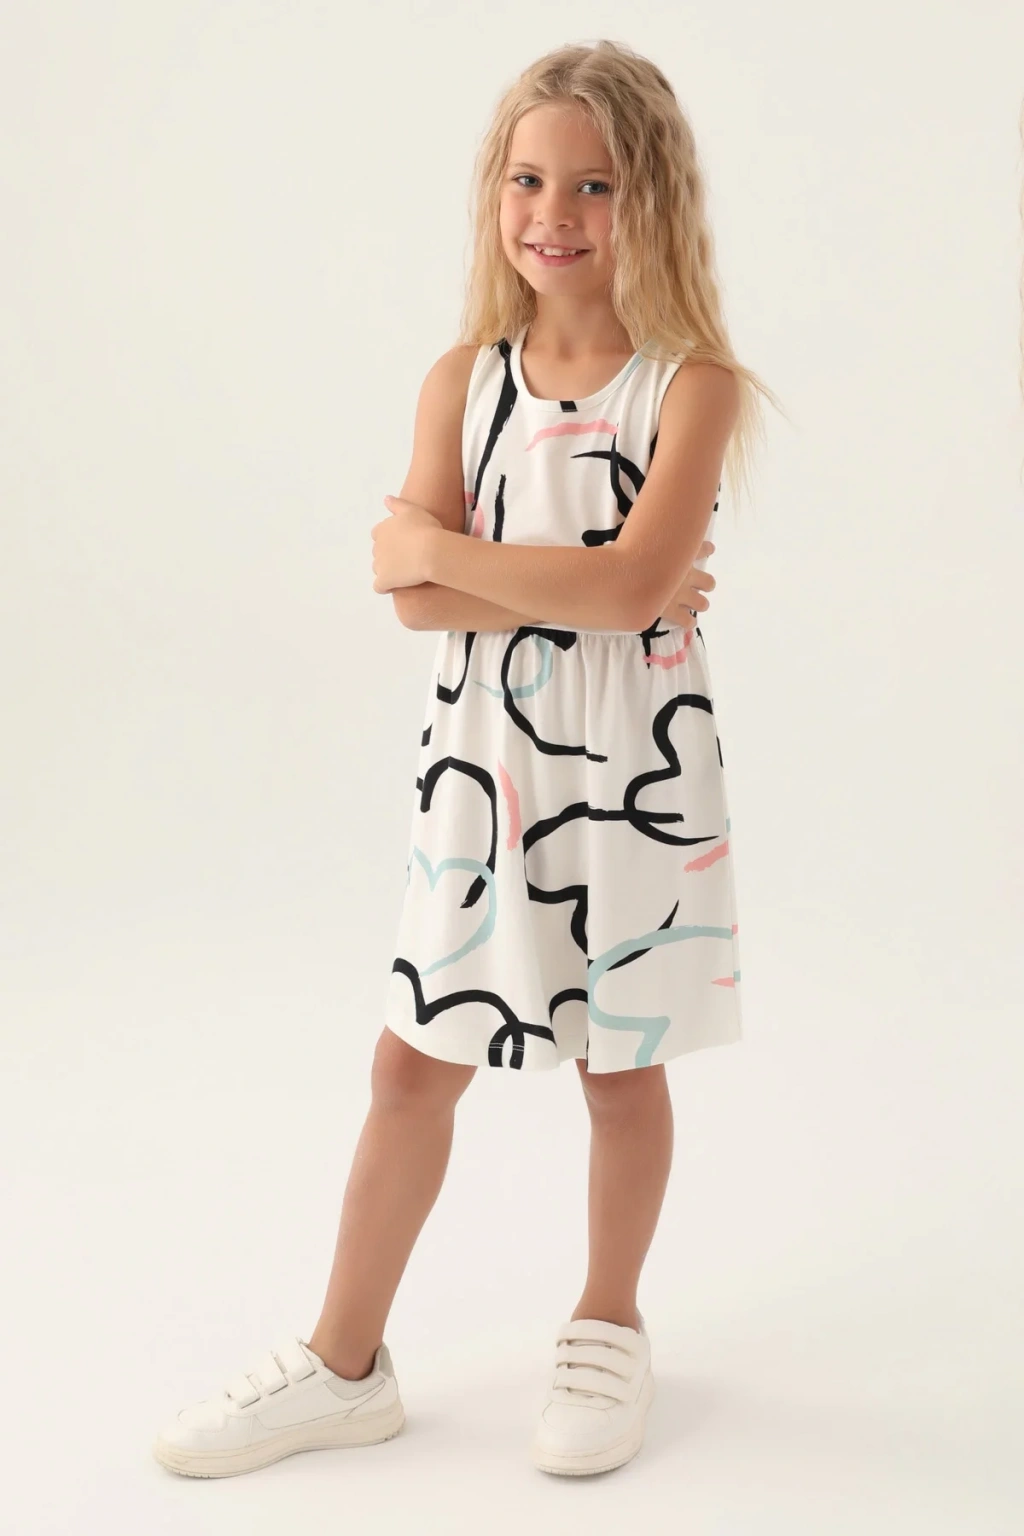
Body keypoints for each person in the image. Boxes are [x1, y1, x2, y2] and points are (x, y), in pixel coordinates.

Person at [153, 38, 779, 1483]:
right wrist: (575, 583)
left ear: (655, 199)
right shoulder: (464, 382)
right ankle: (343, 1361)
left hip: (629, 778)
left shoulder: (693, 390)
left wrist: (464, 557)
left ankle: (609, 1322)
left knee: (618, 1068)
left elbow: (615, 590)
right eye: (527, 180)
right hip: (484, 778)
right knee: (410, 1062)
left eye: (594, 185)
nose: (554, 212)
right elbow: (416, 600)